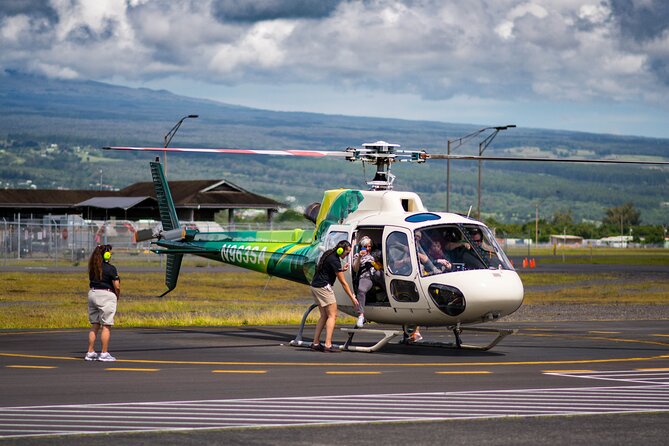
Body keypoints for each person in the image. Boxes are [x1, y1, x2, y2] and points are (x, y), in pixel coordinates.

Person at [310, 240, 358, 352]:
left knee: (324, 315)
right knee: (333, 315)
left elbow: (330, 269)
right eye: (347, 253)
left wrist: (342, 269)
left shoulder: (329, 254)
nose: (347, 255)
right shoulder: (335, 261)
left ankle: (315, 343)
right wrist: (352, 298)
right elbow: (343, 283)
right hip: (323, 288)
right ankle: (328, 344)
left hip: (315, 286)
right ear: (341, 250)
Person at [85, 244, 120, 361]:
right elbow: (117, 285)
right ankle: (104, 353)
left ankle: (90, 352)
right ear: (106, 254)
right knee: (106, 325)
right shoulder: (111, 268)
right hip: (106, 295)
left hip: (93, 294)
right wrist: (117, 295)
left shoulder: (93, 267)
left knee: (95, 324)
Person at [352, 236, 381, 328]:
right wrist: (360, 257)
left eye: (369, 246)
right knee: (361, 290)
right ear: (361, 247)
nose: (367, 248)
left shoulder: (375, 254)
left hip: (376, 274)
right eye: (365, 246)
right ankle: (361, 315)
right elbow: (355, 269)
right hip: (366, 276)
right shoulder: (357, 256)